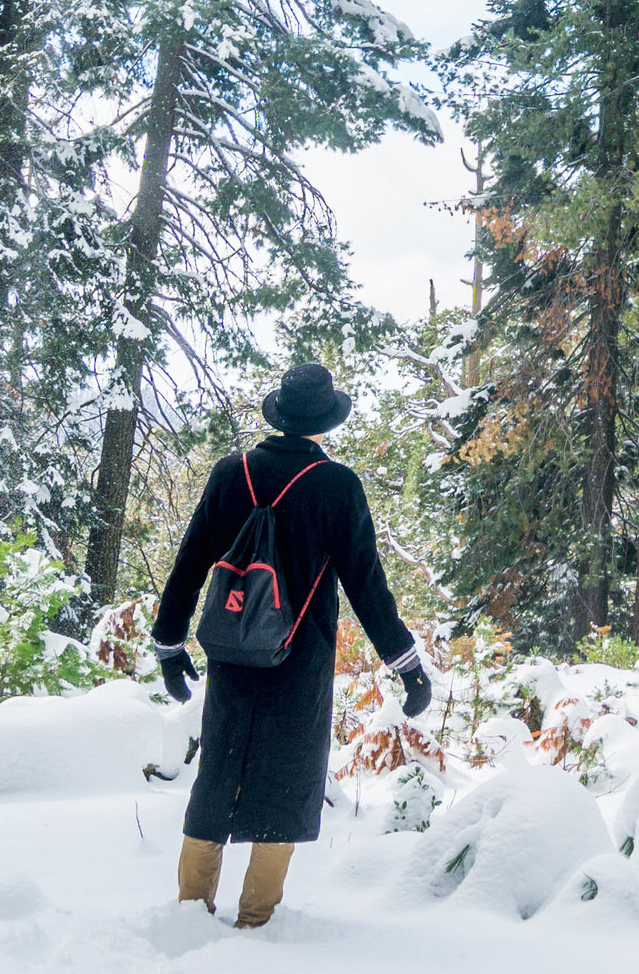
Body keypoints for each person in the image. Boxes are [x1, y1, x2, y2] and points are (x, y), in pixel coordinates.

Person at [152, 358, 433, 928]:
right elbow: (365, 583)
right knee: (284, 782)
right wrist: (406, 663)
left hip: (231, 650)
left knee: (217, 776)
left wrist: (169, 642)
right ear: (326, 422)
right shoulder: (337, 485)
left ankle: (189, 911)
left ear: (279, 414)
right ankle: (255, 920)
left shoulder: (232, 473)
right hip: (300, 661)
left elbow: (190, 562)